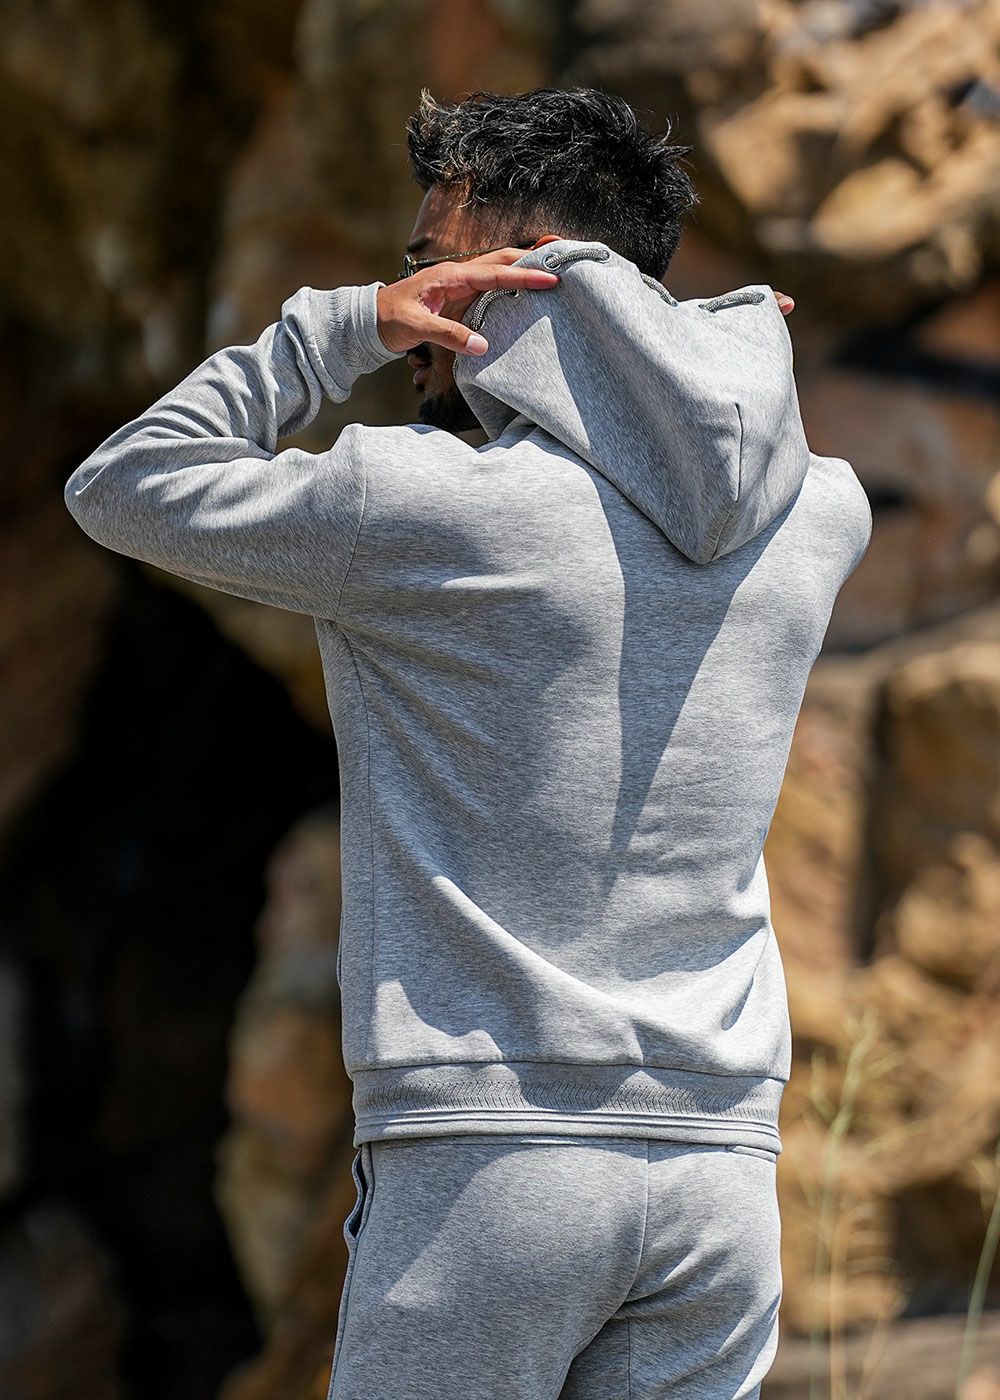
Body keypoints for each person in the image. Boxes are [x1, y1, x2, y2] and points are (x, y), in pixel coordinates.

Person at [63, 85, 871, 1400]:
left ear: (536, 276)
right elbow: (739, 443)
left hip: (491, 1162)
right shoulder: (815, 523)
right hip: (722, 1176)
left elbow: (121, 483)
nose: (414, 310)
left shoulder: (422, 505)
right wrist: (702, 337)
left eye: (432, 269)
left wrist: (338, 329)